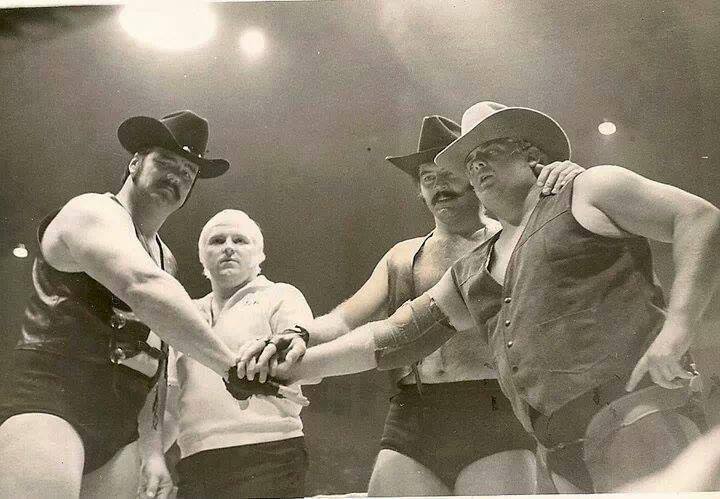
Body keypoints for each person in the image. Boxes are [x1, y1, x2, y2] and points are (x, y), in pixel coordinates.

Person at [251, 101, 720, 493]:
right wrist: (294, 367)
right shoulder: (471, 271)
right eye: (467, 162)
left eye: (489, 151)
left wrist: (679, 327)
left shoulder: (587, 189)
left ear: (531, 155)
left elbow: (699, 218)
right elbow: (396, 334)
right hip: (557, 445)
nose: (474, 167)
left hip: (632, 411)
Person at [240, 115, 583, 495]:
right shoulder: (402, 257)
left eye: (445, 172)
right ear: (420, 191)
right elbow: (343, 319)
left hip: (494, 408)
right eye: (427, 177)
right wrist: (297, 333)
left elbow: (563, 221)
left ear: (473, 173)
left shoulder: (512, 241)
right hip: (415, 413)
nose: (438, 185)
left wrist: (566, 178)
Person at [0, 111, 248, 498]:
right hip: (53, 403)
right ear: (134, 162)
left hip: (120, 426)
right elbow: (142, 286)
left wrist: (152, 452)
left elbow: (157, 360)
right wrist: (231, 367)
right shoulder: (91, 211)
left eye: (188, 172)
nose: (177, 177)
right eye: (165, 163)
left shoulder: (166, 258)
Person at [138, 209, 313, 499]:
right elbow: (167, 400)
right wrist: (152, 457)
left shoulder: (282, 296)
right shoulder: (185, 315)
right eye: (217, 240)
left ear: (260, 255)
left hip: (269, 453)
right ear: (202, 257)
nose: (228, 247)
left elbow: (302, 355)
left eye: (240, 240)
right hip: (196, 461)